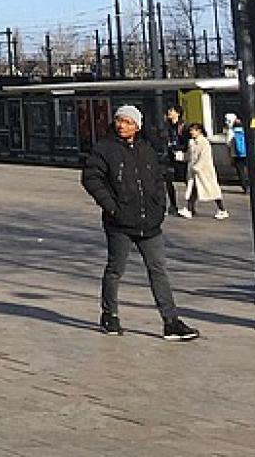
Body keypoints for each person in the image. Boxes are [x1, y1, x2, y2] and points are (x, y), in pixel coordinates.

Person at [80, 104, 199, 342]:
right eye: (119, 120)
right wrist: (112, 207)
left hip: (150, 222)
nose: (122, 125)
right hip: (120, 223)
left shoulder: (147, 149)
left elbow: (158, 179)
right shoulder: (104, 148)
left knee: (158, 270)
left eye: (128, 122)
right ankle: (109, 315)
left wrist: (160, 207)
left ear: (137, 126)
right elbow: (91, 178)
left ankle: (170, 320)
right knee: (115, 269)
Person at [180, 122, 228, 220]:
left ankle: (222, 209)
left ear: (199, 131)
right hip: (195, 172)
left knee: (212, 190)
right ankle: (189, 209)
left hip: (205, 172)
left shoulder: (204, 142)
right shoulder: (192, 142)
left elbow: (205, 157)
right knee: (193, 190)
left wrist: (197, 167)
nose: (191, 132)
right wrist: (181, 157)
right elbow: (189, 155)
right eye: (191, 130)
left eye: (193, 130)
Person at [147, 106, 186, 217]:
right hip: (169, 158)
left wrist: (178, 148)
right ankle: (172, 205)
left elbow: (186, 141)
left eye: (171, 111)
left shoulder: (183, 126)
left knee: (190, 182)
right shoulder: (167, 126)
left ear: (177, 113)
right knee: (168, 182)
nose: (169, 112)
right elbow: (162, 139)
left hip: (181, 157)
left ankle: (190, 206)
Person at [225, 114, 249, 189]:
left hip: (236, 154)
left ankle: (244, 186)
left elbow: (228, 144)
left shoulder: (231, 132)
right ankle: (249, 183)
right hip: (245, 153)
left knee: (240, 171)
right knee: (248, 169)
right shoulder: (244, 131)